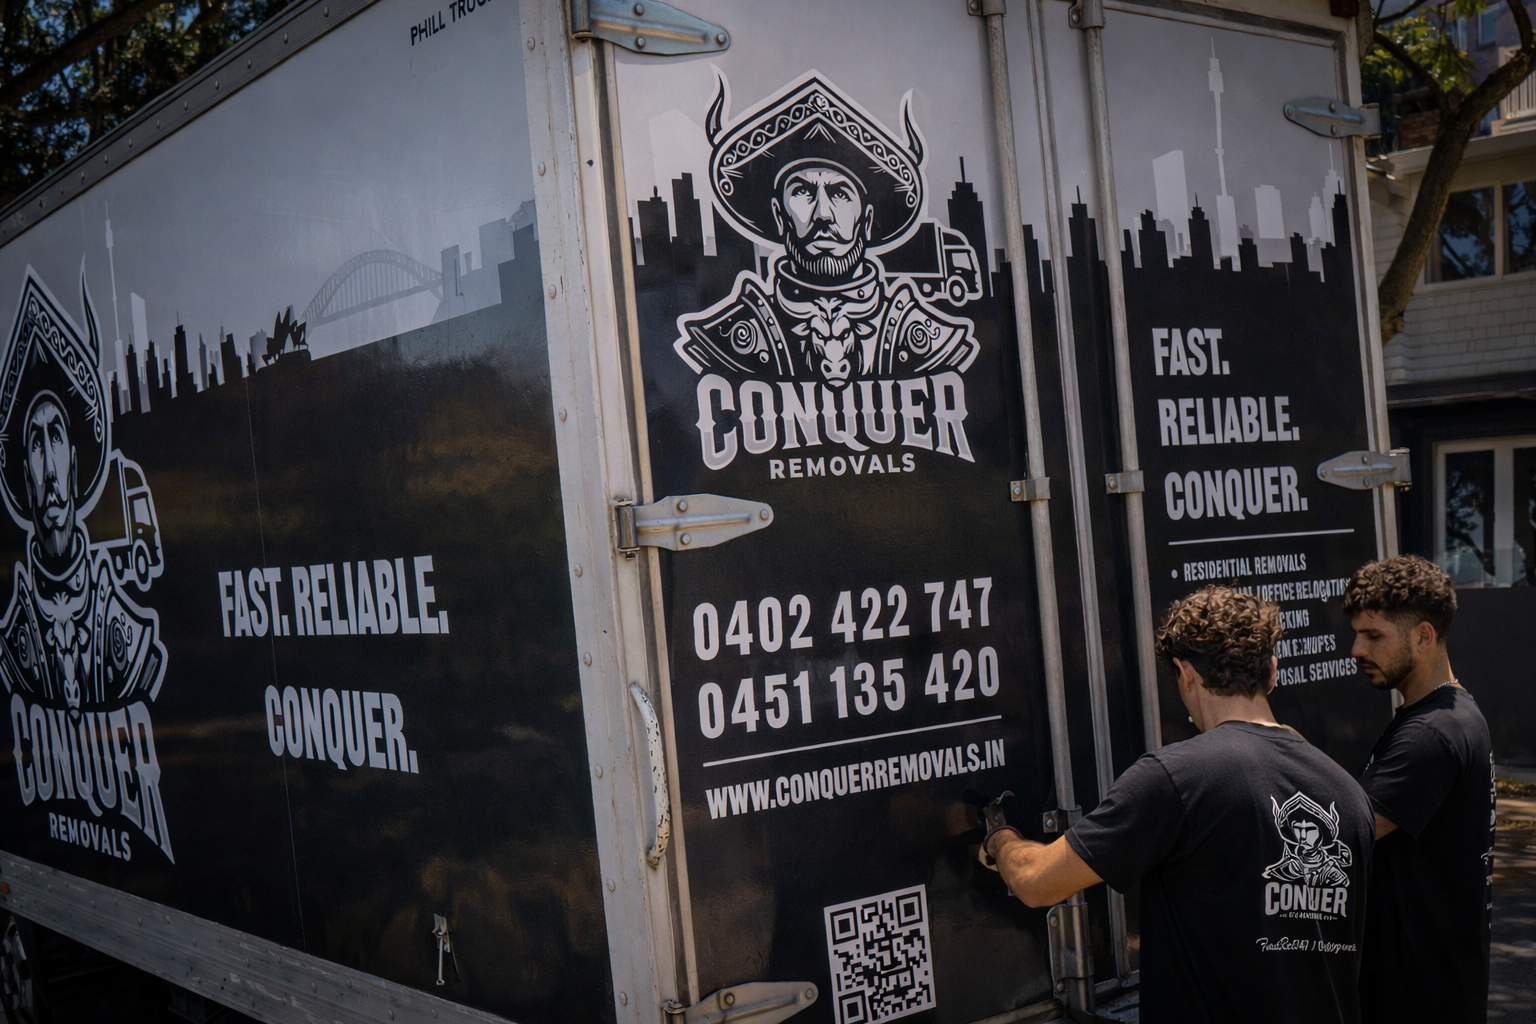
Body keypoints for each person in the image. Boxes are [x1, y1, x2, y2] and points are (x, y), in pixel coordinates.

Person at [981, 585, 1373, 1024]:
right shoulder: (1348, 794)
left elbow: (1036, 882)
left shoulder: (1177, 779)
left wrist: (1000, 839)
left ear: (1185, 674)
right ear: (1272, 672)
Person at [675, 74, 979, 384]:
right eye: (802, 192)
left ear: (867, 220)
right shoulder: (737, 336)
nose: (822, 214)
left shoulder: (915, 334)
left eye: (840, 194)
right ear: (779, 215)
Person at [1345, 556, 1493, 1024]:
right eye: (1356, 633)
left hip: (1418, 997)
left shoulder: (1431, 733)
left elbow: (1345, 833)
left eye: (1374, 635)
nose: (1356, 649)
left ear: (1423, 637)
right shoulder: (1448, 713)